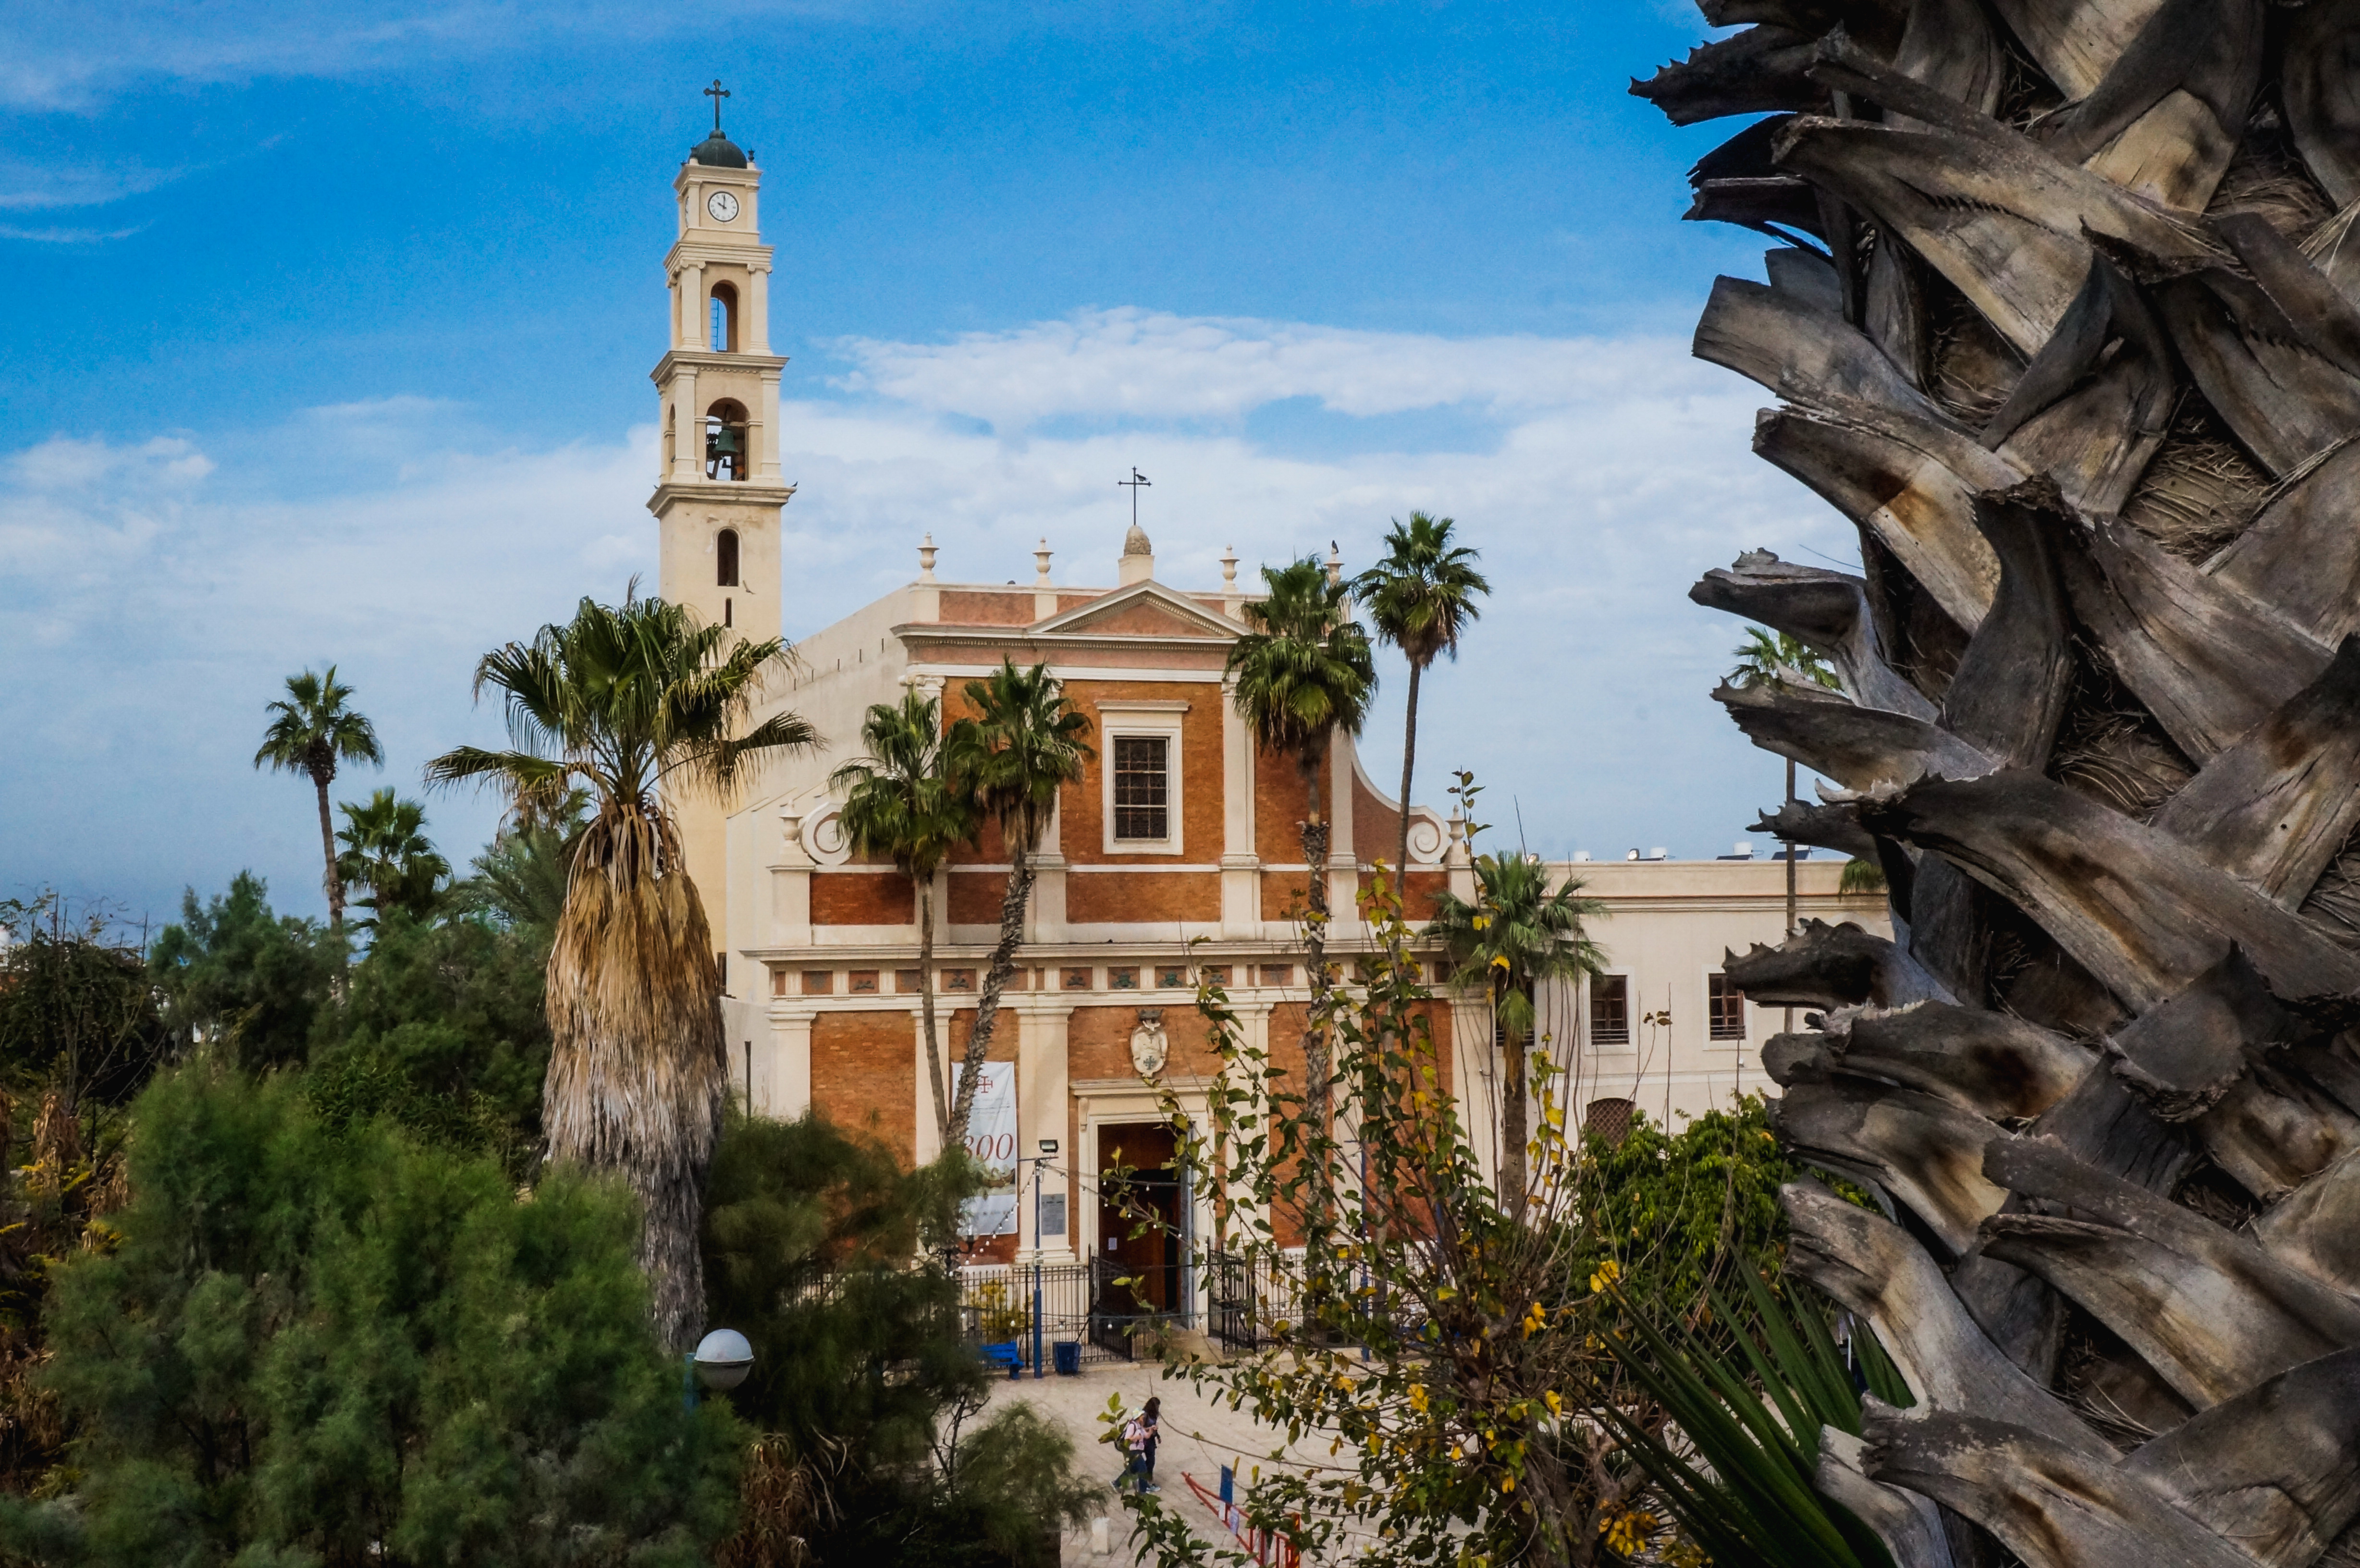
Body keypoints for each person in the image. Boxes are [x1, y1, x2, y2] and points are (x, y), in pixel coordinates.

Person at [1119, 1396, 1162, 1494]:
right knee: (1146, 1464)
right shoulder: (1143, 1417)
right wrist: (1148, 1430)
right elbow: (1141, 1430)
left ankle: (1118, 1483)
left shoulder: (1154, 1415)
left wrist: (1156, 1435)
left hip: (1149, 1440)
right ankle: (1145, 1486)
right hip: (1142, 1443)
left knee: (1137, 1466)